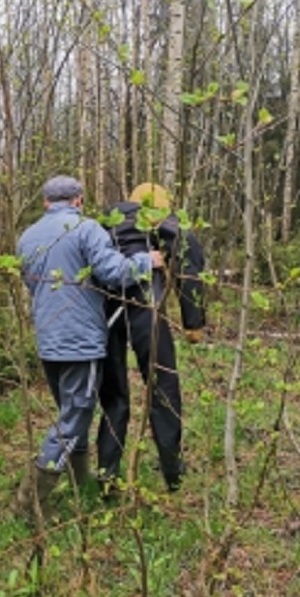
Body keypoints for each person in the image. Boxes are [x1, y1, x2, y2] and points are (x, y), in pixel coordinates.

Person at [15, 175, 163, 520]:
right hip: (81, 342)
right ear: (79, 200)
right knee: (73, 416)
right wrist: (146, 261)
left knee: (69, 411)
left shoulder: (27, 237)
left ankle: (79, 484)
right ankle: (30, 501)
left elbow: (29, 283)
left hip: (48, 339)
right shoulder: (87, 229)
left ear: (45, 203)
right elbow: (113, 273)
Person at [97, 182, 206, 493]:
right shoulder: (167, 224)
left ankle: (107, 476)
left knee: (114, 396)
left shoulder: (105, 224)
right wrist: (193, 324)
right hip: (146, 307)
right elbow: (189, 270)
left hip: (106, 311)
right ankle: (173, 474)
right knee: (163, 389)